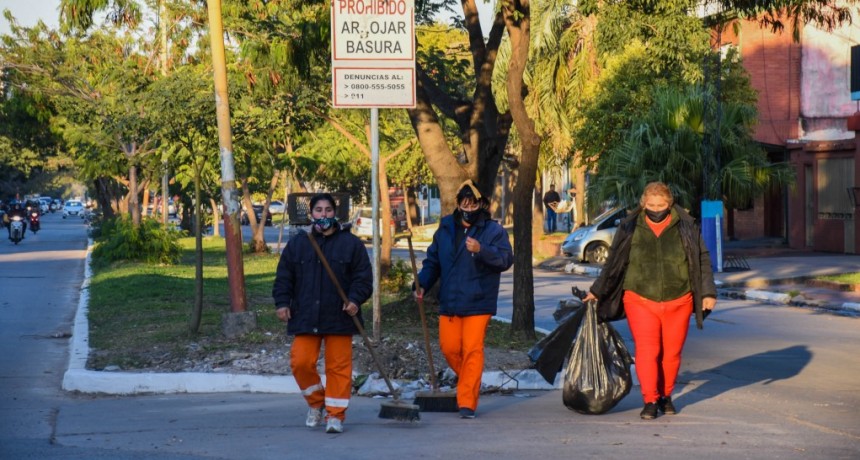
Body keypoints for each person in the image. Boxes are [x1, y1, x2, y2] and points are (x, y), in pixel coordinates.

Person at [583, 182, 717, 420]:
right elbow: (613, 261)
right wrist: (597, 290)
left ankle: (665, 395)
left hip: (679, 299)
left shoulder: (686, 225)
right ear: (643, 204)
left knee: (672, 354)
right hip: (639, 298)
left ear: (670, 204)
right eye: (651, 205)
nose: (656, 209)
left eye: (661, 205)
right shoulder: (629, 226)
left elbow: (701, 258)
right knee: (648, 351)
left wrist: (708, 293)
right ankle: (650, 400)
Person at [272, 193, 372, 434]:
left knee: (338, 367)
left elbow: (363, 278)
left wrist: (355, 300)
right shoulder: (298, 244)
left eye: (328, 210)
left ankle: (335, 415)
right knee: (300, 362)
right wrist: (282, 303)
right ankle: (317, 403)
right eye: (319, 210)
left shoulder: (351, 244)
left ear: (335, 213)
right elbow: (284, 277)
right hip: (305, 315)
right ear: (311, 213)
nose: (323, 214)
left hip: (340, 316)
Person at [414, 180, 514, 419]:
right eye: (464, 204)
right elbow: (433, 262)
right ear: (458, 204)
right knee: (449, 348)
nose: (469, 209)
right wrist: (422, 283)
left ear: (481, 204)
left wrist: (482, 250)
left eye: (473, 204)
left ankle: (467, 401)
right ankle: (469, 380)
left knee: (472, 350)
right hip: (450, 300)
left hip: (479, 300)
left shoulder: (493, 231)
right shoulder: (445, 229)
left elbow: (505, 260)